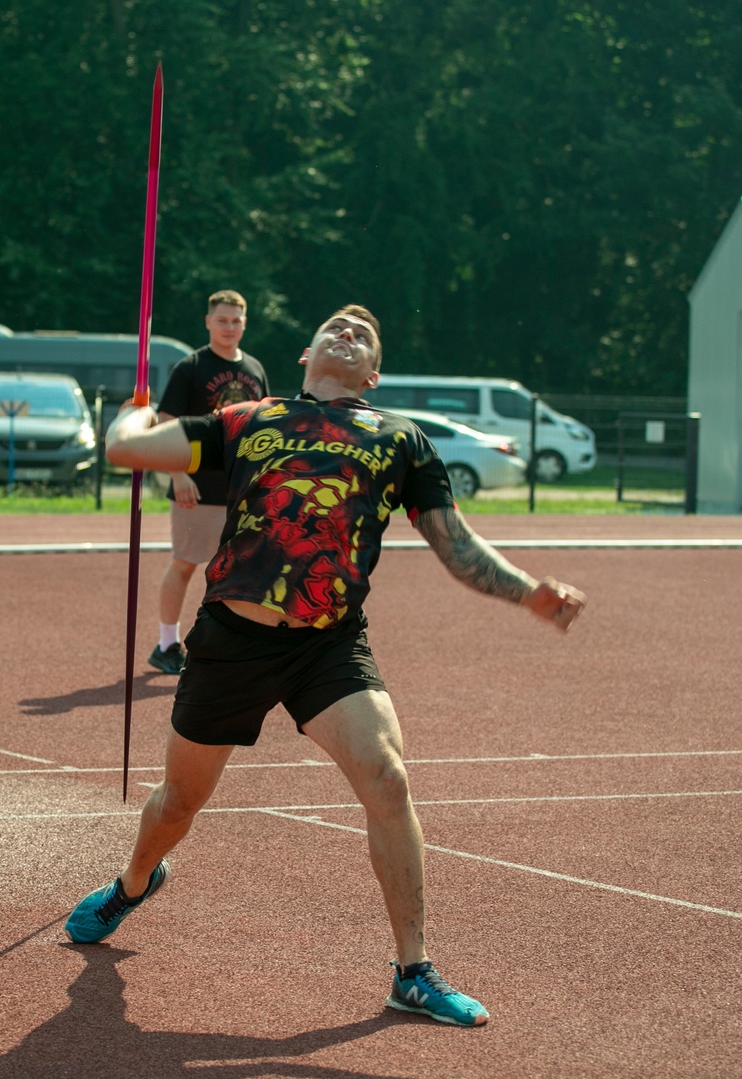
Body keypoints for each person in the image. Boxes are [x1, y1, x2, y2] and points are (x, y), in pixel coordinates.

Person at [67, 305, 586, 1027]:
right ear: (307, 353)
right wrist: (132, 419)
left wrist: (528, 590)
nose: (348, 330)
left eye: (364, 334)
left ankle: (413, 970)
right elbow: (130, 452)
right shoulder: (251, 418)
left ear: (372, 372)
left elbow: (455, 544)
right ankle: (131, 883)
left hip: (328, 643)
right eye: (335, 326)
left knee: (388, 777)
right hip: (232, 638)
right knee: (178, 804)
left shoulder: (401, 439)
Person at [148, 289, 270, 675]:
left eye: (236, 321)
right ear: (208, 322)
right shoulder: (191, 367)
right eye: (222, 320)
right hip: (196, 489)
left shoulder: (255, 369)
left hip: (240, 490)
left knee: (240, 570)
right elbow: (165, 423)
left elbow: (264, 425)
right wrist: (177, 474)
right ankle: (167, 644)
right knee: (185, 564)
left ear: (245, 324)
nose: (229, 327)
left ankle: (228, 644)